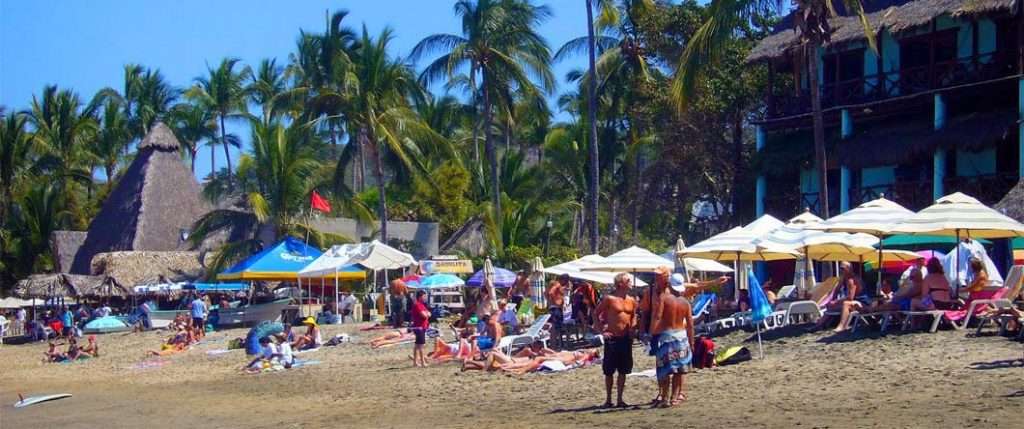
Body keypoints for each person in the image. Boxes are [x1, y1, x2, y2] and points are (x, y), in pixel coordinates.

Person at [644, 267, 694, 408]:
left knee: (664, 370)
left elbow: (657, 317)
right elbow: (690, 325)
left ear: (670, 285)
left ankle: (665, 398)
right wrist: (692, 342)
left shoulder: (664, 299)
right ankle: (674, 398)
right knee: (679, 370)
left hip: (667, 337)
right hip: (682, 337)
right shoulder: (685, 302)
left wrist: (650, 335)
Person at [592, 272, 638, 408]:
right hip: (612, 338)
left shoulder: (632, 300)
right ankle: (608, 399)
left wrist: (633, 328)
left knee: (623, 370)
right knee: (609, 370)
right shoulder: (609, 299)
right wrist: (601, 331)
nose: (630, 282)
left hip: (626, 338)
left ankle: (620, 399)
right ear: (620, 283)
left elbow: (634, 316)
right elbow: (596, 313)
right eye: (628, 280)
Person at [832, 262, 868, 332]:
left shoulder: (852, 280)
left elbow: (850, 298)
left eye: (842, 268)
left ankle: (842, 326)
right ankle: (819, 325)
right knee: (831, 306)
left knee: (846, 304)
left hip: (863, 303)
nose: (840, 270)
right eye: (840, 268)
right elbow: (837, 290)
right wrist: (833, 300)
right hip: (855, 302)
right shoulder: (845, 278)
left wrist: (835, 302)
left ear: (849, 269)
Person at [410, 290, 431, 367]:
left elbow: (429, 313)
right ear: (420, 297)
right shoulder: (417, 305)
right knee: (421, 345)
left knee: (417, 345)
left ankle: (415, 362)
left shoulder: (422, 305)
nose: (425, 297)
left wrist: (427, 314)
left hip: (422, 327)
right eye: (424, 296)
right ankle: (422, 362)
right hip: (419, 328)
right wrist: (427, 314)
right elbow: (424, 315)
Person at [546, 276, 568, 347]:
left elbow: (546, 293)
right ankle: (554, 345)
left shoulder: (556, 285)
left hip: (553, 308)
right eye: (566, 280)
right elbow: (550, 293)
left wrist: (550, 302)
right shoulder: (558, 285)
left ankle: (554, 344)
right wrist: (556, 303)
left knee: (554, 328)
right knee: (555, 328)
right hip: (556, 309)